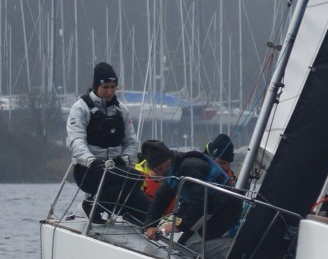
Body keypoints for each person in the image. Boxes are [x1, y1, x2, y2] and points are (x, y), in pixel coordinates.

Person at [66, 61, 149, 224]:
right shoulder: (80, 108)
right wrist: (91, 161)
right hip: (89, 170)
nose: (110, 91)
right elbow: (76, 140)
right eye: (105, 87)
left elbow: (132, 142)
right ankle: (91, 205)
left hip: (116, 168)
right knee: (136, 176)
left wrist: (125, 159)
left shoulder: (121, 110)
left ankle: (133, 219)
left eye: (113, 87)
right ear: (96, 86)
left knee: (149, 213)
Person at [138, 139, 243, 245]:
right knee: (183, 243)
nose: (161, 173)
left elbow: (199, 201)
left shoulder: (190, 167)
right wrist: (150, 225)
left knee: (189, 245)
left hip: (225, 209)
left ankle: (235, 249)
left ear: (169, 158)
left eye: (161, 168)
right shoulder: (172, 171)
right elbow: (161, 199)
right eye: (157, 171)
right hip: (210, 209)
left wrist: (179, 226)